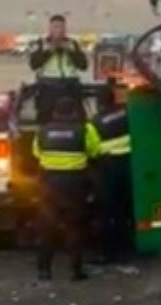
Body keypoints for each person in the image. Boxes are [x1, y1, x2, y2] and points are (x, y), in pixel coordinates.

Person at [32, 94, 99, 281]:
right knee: (74, 227)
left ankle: (44, 270)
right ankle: (75, 271)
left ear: (54, 112)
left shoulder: (42, 131)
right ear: (75, 112)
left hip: (49, 184)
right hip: (74, 184)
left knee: (47, 228)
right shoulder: (85, 130)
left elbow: (37, 153)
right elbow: (95, 151)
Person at [92, 88, 135, 264]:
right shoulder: (127, 111)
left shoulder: (95, 122)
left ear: (99, 103)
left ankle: (109, 252)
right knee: (127, 208)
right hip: (131, 165)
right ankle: (129, 245)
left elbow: (93, 150)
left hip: (109, 168)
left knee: (108, 211)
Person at [28, 14, 89, 81]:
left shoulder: (72, 43)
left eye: (62, 27)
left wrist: (69, 51)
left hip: (70, 81)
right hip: (48, 81)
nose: (59, 30)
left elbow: (83, 66)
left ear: (65, 29)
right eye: (55, 27)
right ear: (49, 28)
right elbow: (34, 66)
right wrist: (49, 51)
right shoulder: (41, 43)